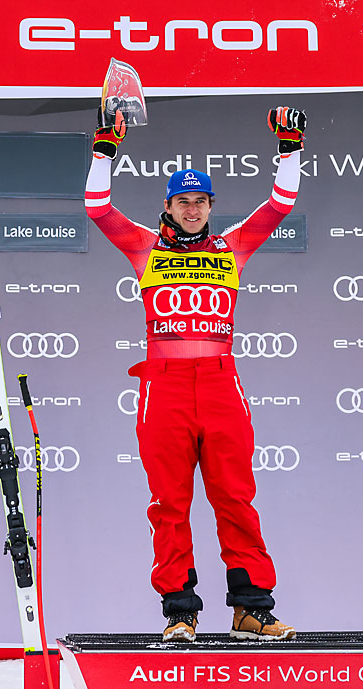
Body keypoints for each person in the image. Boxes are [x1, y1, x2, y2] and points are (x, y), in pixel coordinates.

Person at [85, 106, 306, 642]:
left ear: (210, 206)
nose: (192, 210)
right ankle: (179, 611)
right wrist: (106, 143)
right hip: (164, 387)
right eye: (183, 201)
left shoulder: (231, 248)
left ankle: (251, 606)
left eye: (200, 201)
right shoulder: (144, 246)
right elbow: (97, 206)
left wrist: (290, 144)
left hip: (220, 383)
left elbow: (282, 202)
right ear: (168, 206)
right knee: (169, 501)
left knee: (235, 495)